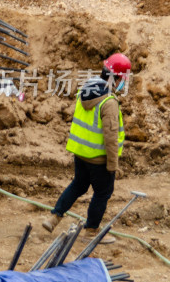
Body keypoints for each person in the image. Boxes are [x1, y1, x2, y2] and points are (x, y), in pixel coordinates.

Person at [42, 53, 131, 244]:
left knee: (78, 185)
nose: (123, 82)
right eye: (122, 78)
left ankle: (54, 217)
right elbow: (111, 137)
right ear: (115, 77)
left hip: (81, 154)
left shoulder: (87, 88)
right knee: (102, 193)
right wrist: (113, 164)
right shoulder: (109, 102)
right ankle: (91, 231)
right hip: (98, 158)